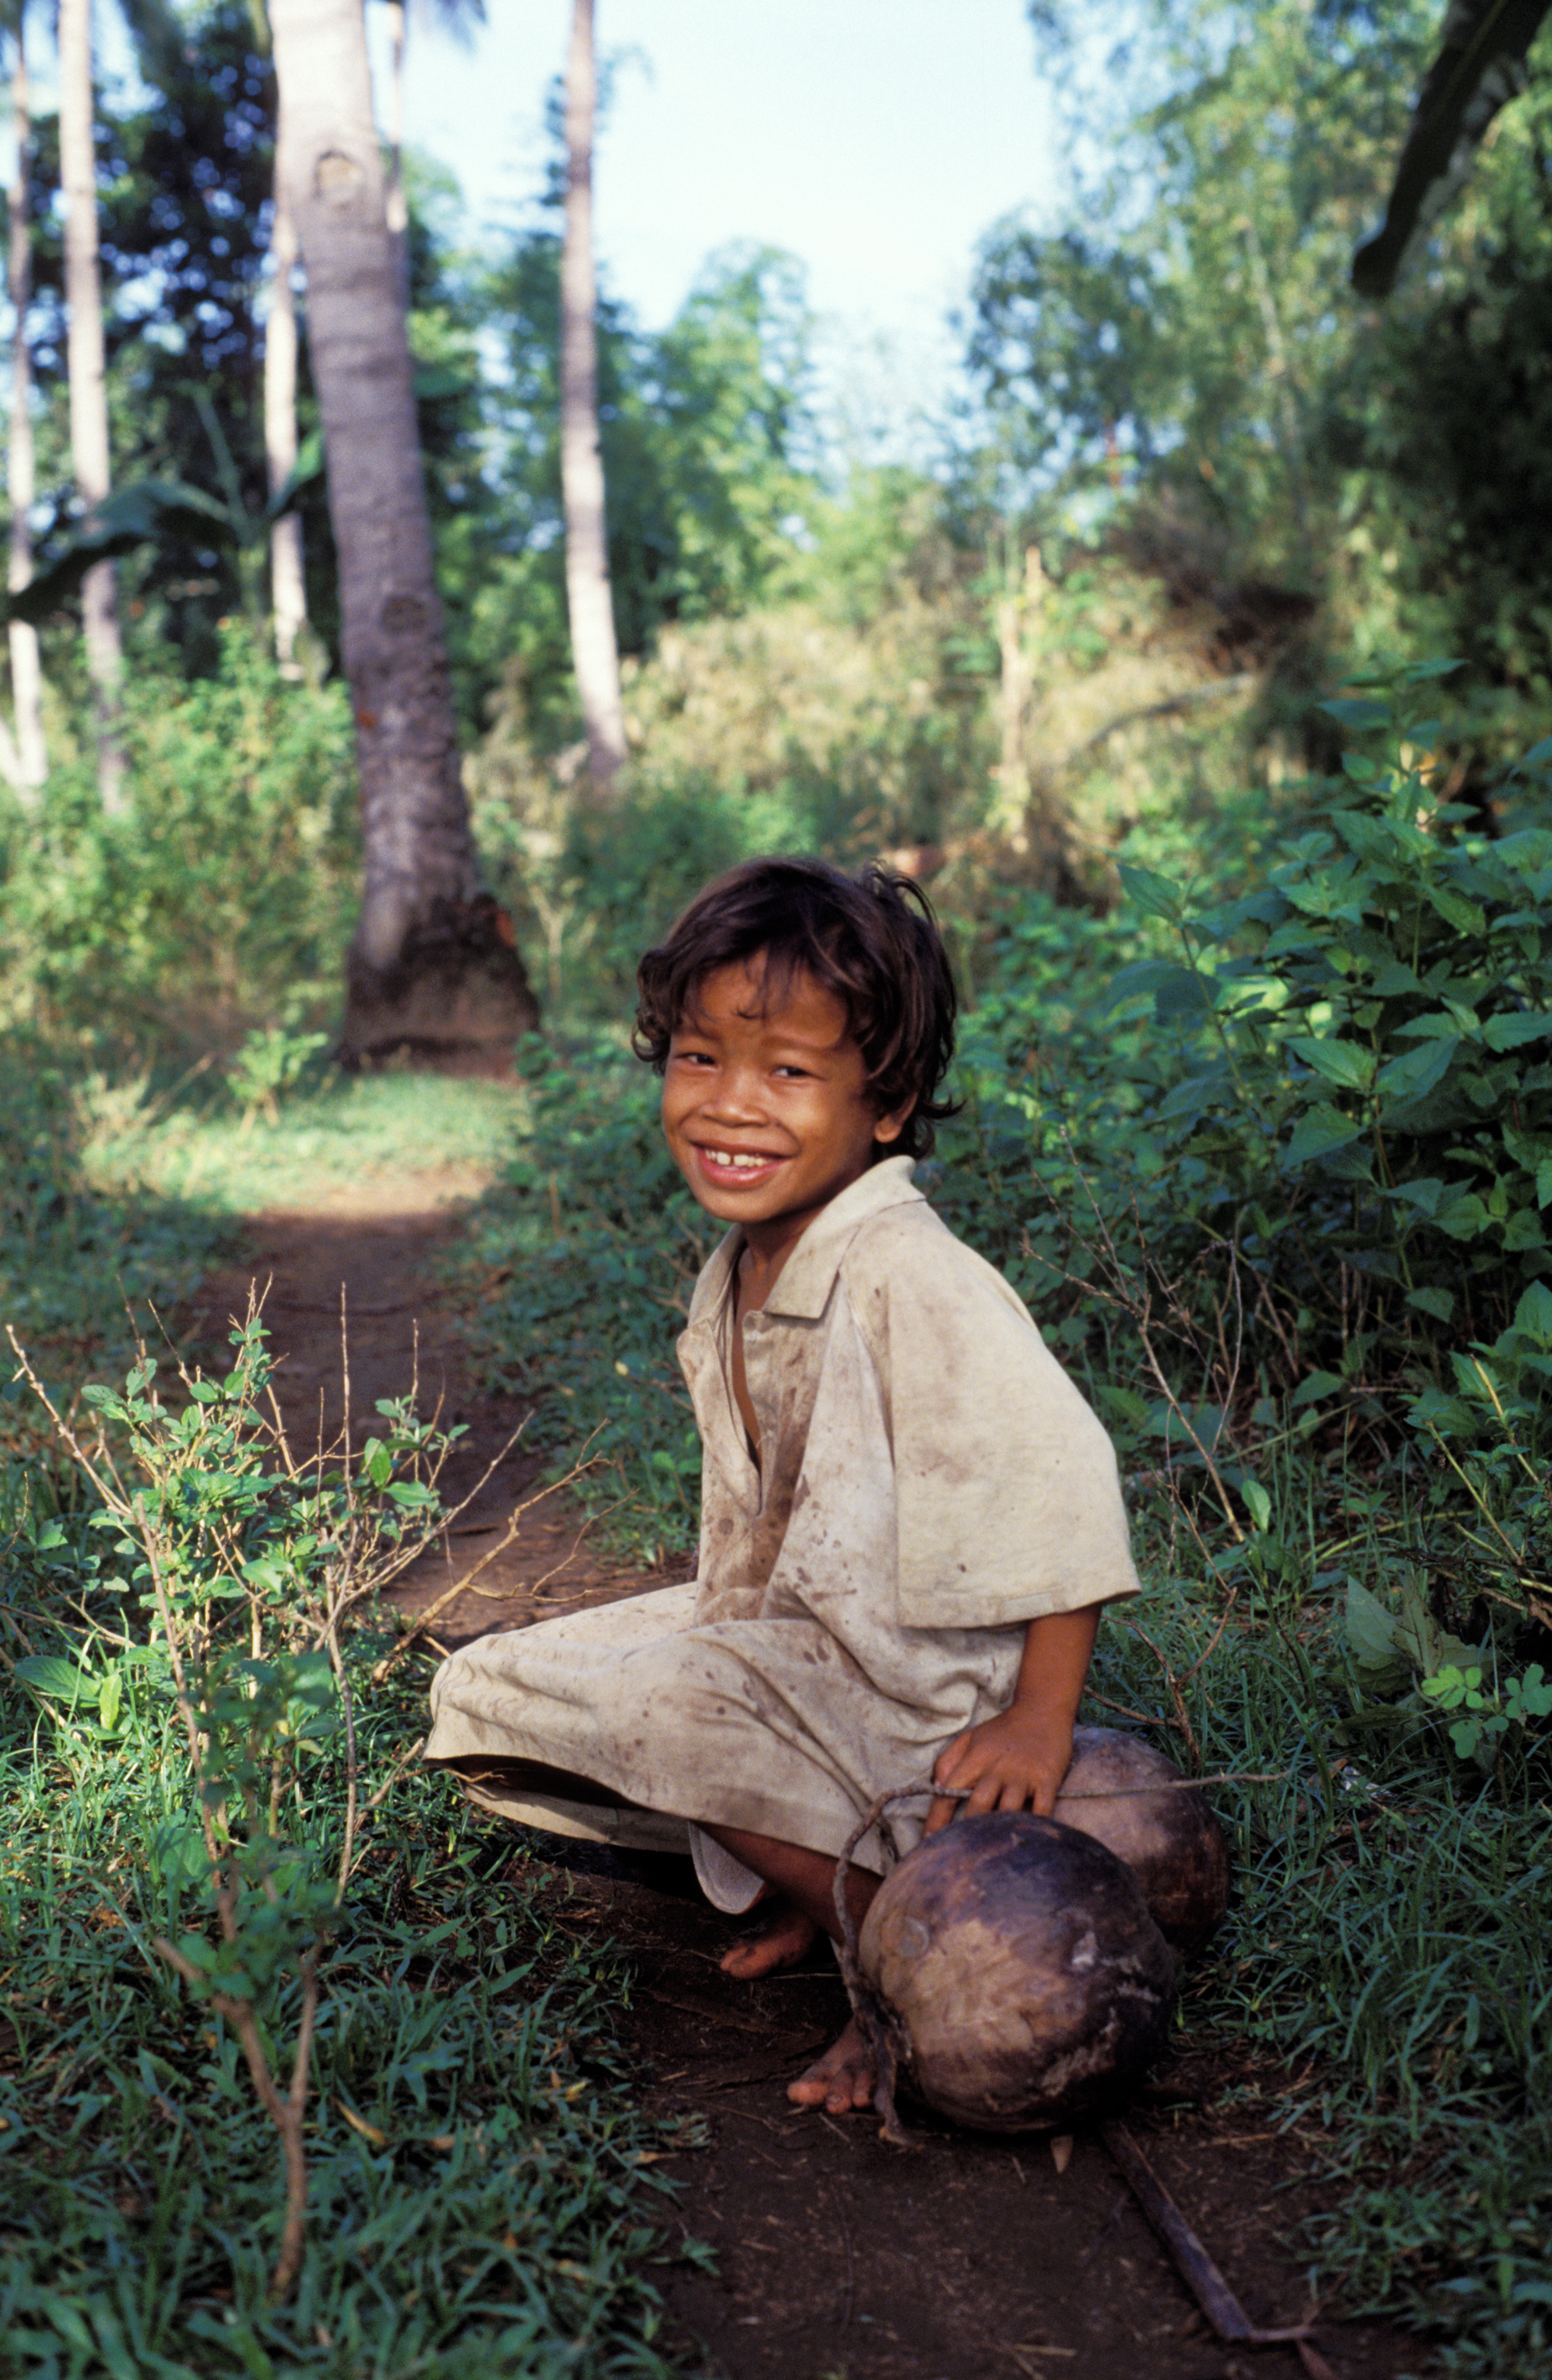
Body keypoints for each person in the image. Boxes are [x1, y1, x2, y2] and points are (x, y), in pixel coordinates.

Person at [424, 857, 1141, 2115]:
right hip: (782, 1652)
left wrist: (1035, 1721)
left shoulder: (911, 1273)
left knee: (665, 1713)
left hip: (908, 1700)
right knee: (484, 1690)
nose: (731, 1106)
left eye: (790, 1072)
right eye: (699, 1058)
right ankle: (820, 1869)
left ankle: (895, 1950)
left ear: (888, 1102)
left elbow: (1061, 1476)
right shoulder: (741, 1265)